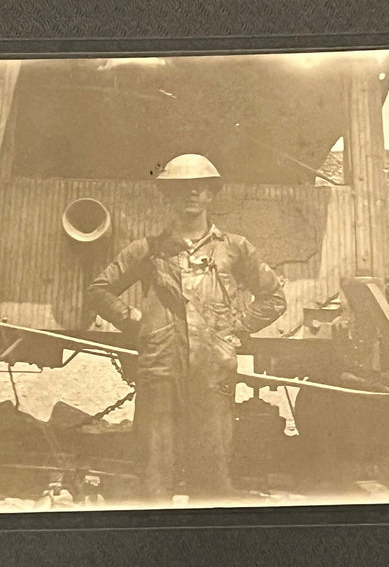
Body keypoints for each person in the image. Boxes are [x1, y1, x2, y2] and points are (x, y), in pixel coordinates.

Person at [86, 153, 287, 504]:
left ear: (211, 195)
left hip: (213, 371)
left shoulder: (235, 248)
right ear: (168, 195)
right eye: (181, 188)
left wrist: (233, 330)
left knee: (212, 473)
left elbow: (273, 298)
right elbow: (99, 290)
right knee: (154, 473)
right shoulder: (147, 250)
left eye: (200, 188)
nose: (190, 194)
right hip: (160, 368)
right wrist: (133, 320)